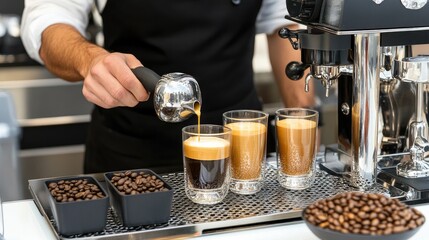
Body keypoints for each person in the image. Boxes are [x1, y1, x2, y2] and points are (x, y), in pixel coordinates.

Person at [21, 0, 316, 174]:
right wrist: (90, 59)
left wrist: (303, 120)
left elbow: (283, 25)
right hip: (132, 154)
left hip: (242, 152)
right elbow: (49, 20)